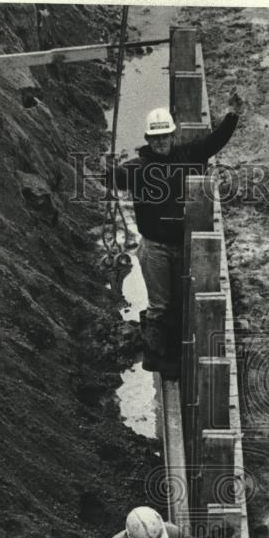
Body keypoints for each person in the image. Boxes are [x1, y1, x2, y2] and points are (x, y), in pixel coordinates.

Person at [107, 90, 245, 376]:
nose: (161, 142)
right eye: (155, 139)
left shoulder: (186, 156)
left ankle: (178, 356)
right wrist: (105, 170)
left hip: (183, 244)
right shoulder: (138, 168)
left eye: (165, 136)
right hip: (155, 248)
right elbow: (116, 178)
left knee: (182, 304)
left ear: (172, 135)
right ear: (148, 140)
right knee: (160, 306)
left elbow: (213, 142)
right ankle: (160, 361)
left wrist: (232, 116)